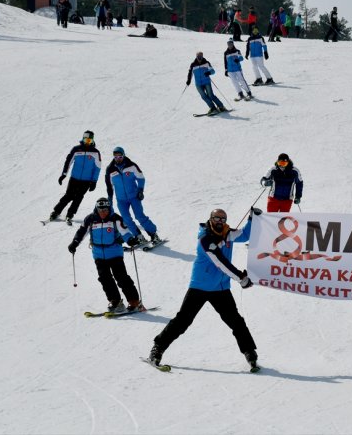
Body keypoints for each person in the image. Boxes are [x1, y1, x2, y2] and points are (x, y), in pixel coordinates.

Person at [147, 208, 259, 370]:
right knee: (183, 321)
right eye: (217, 218)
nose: (220, 222)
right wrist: (241, 278)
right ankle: (158, 348)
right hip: (200, 286)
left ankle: (250, 352)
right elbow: (220, 262)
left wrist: (252, 219)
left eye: (223, 219)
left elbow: (245, 235)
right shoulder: (205, 238)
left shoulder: (227, 234)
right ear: (210, 219)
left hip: (220, 288)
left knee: (235, 321)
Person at [68, 197, 144, 313]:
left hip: (115, 253)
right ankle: (115, 301)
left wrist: (130, 240)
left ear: (109, 209)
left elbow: (124, 231)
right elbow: (82, 232)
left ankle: (134, 301)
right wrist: (75, 243)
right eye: (100, 210)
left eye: (105, 210)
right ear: (97, 209)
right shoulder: (91, 219)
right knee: (105, 279)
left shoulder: (115, 218)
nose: (103, 213)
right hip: (98, 254)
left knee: (121, 277)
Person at [104, 146, 160, 244]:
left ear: (124, 155)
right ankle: (138, 236)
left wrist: (140, 190)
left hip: (134, 197)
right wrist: (110, 200)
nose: (118, 159)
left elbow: (141, 178)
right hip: (121, 200)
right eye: (116, 157)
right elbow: (109, 186)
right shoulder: (110, 169)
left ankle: (153, 234)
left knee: (139, 216)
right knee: (126, 219)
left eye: (120, 157)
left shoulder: (132, 165)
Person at [49, 131, 101, 224]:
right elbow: (68, 161)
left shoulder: (95, 152)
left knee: (78, 197)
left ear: (92, 140)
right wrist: (64, 174)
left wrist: (94, 181)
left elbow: (97, 168)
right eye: (86, 140)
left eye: (89, 140)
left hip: (86, 180)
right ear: (83, 139)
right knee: (68, 196)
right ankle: (56, 212)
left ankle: (70, 214)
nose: (87, 142)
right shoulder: (76, 149)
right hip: (74, 179)